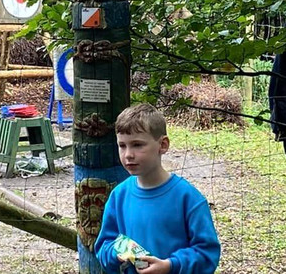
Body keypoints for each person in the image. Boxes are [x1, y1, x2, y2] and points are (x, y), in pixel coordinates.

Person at [94, 103, 221, 274]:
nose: (128, 154)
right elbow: (104, 246)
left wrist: (171, 265)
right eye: (122, 145)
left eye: (137, 145)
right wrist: (116, 253)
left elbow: (207, 254)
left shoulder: (188, 198)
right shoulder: (119, 196)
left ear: (163, 145)